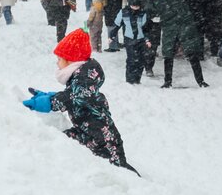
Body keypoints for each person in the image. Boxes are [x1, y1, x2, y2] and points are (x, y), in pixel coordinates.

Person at [22, 29, 139, 175]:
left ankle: (142, 185)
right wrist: (49, 95)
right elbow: (72, 94)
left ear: (70, 60)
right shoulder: (83, 77)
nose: (57, 63)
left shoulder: (84, 80)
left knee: (120, 174)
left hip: (102, 143)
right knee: (59, 141)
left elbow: (72, 97)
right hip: (87, 133)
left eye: (59, 59)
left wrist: (48, 102)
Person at [148, 0, 208, 88]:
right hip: (172, 27)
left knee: (190, 53)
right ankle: (168, 81)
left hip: (182, 25)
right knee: (169, 55)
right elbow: (151, 12)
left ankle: (200, 81)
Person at [114, 0, 150, 84]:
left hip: (141, 39)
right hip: (129, 39)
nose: (135, 8)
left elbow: (145, 28)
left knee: (141, 60)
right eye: (133, 6)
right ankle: (129, 80)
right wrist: (112, 35)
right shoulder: (124, 12)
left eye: (137, 6)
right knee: (131, 59)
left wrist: (147, 39)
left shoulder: (142, 13)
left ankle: (137, 79)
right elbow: (117, 25)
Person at [142, 0, 163, 78]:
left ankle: (149, 66)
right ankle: (148, 67)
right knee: (149, 47)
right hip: (149, 24)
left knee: (153, 47)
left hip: (155, 25)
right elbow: (147, 10)